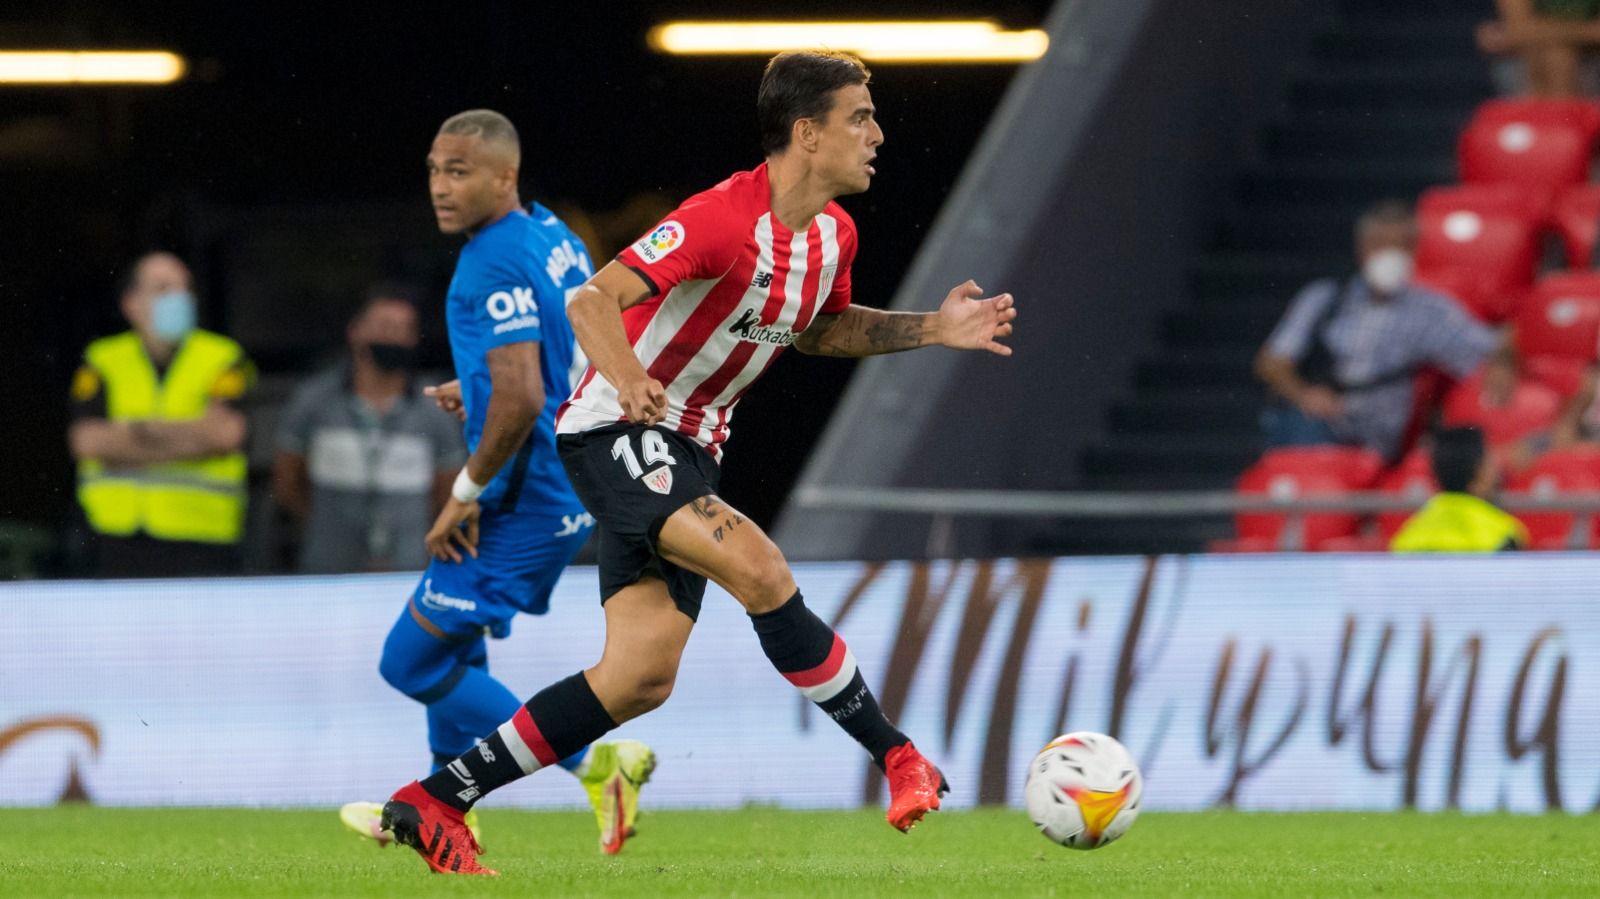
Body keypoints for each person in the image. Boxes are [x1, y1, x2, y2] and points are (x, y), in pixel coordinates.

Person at [376, 51, 1019, 877]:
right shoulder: (720, 217)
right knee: (759, 565)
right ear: (806, 132)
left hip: (688, 449)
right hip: (617, 429)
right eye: (861, 116)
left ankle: (435, 800)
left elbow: (816, 327)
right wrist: (632, 376)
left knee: (637, 678)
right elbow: (590, 300)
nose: (878, 133)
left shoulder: (833, 235)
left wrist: (932, 327)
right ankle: (898, 756)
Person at [337, 110, 653, 857]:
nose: (441, 188)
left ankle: (598, 763)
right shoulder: (552, 235)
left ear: (504, 176)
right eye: (434, 170)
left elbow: (521, 399)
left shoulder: (488, 262)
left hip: (522, 494)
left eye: (460, 172)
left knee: (408, 660)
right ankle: (450, 814)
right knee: (456, 651)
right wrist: (474, 386)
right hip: (563, 480)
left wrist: (464, 493)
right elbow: (557, 353)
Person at [1254, 201, 1500, 462]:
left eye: (1401, 246)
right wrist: (1304, 395)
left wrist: (1504, 359)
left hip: (1377, 441)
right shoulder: (1324, 298)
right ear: (1362, 249)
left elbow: (1491, 349)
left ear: (1414, 250)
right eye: (1380, 245)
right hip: (1321, 426)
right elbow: (1271, 362)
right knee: (1297, 431)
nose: (1391, 255)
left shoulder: (1431, 310)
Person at [67, 251, 253, 577]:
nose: (179, 299)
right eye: (164, 289)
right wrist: (193, 437)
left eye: (185, 289)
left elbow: (225, 434)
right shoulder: (103, 359)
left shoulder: (222, 356)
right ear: (131, 304)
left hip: (203, 537)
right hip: (115, 538)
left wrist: (131, 435)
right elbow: (87, 441)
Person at [272, 284, 466, 573]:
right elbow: (288, 483)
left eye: (403, 329)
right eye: (384, 326)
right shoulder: (315, 401)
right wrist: (325, 526)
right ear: (355, 331)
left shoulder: (434, 408)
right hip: (327, 566)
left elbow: (448, 493)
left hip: (410, 566)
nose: (393, 337)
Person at [1391, 427, 1529, 552]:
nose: (1496, 471)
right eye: (1490, 463)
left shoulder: (1407, 538)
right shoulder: (1502, 534)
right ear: (1479, 474)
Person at [1479, 0, 1600, 97]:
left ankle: (1556, 120)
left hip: (1590, 59)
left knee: (1559, 55)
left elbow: (1515, 34)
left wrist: (1533, 31)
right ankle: (1557, 120)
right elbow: (1519, 31)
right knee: (1556, 55)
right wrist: (1584, 32)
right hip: (1530, 60)